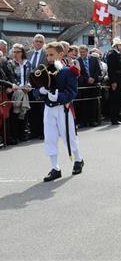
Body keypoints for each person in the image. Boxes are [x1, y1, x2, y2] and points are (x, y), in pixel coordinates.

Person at [33, 42, 84, 182]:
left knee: (69, 136)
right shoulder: (43, 70)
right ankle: (55, 168)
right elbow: (35, 88)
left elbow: (73, 92)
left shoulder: (67, 71)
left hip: (63, 108)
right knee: (50, 138)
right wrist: (40, 92)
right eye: (47, 55)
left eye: (51, 54)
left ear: (60, 54)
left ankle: (78, 159)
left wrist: (59, 97)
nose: (49, 58)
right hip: (49, 109)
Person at [27, 34, 47, 140]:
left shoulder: (46, 53)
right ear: (33, 42)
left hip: (41, 86)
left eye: (40, 41)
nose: (38, 43)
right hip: (29, 86)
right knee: (32, 111)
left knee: (42, 111)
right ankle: (34, 132)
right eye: (36, 41)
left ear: (43, 43)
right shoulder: (28, 53)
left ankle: (43, 132)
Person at [106, 37, 121, 125]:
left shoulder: (119, 54)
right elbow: (111, 69)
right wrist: (113, 81)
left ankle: (119, 116)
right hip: (116, 79)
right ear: (116, 45)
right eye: (120, 45)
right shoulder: (111, 54)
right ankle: (114, 118)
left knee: (120, 99)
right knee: (115, 100)